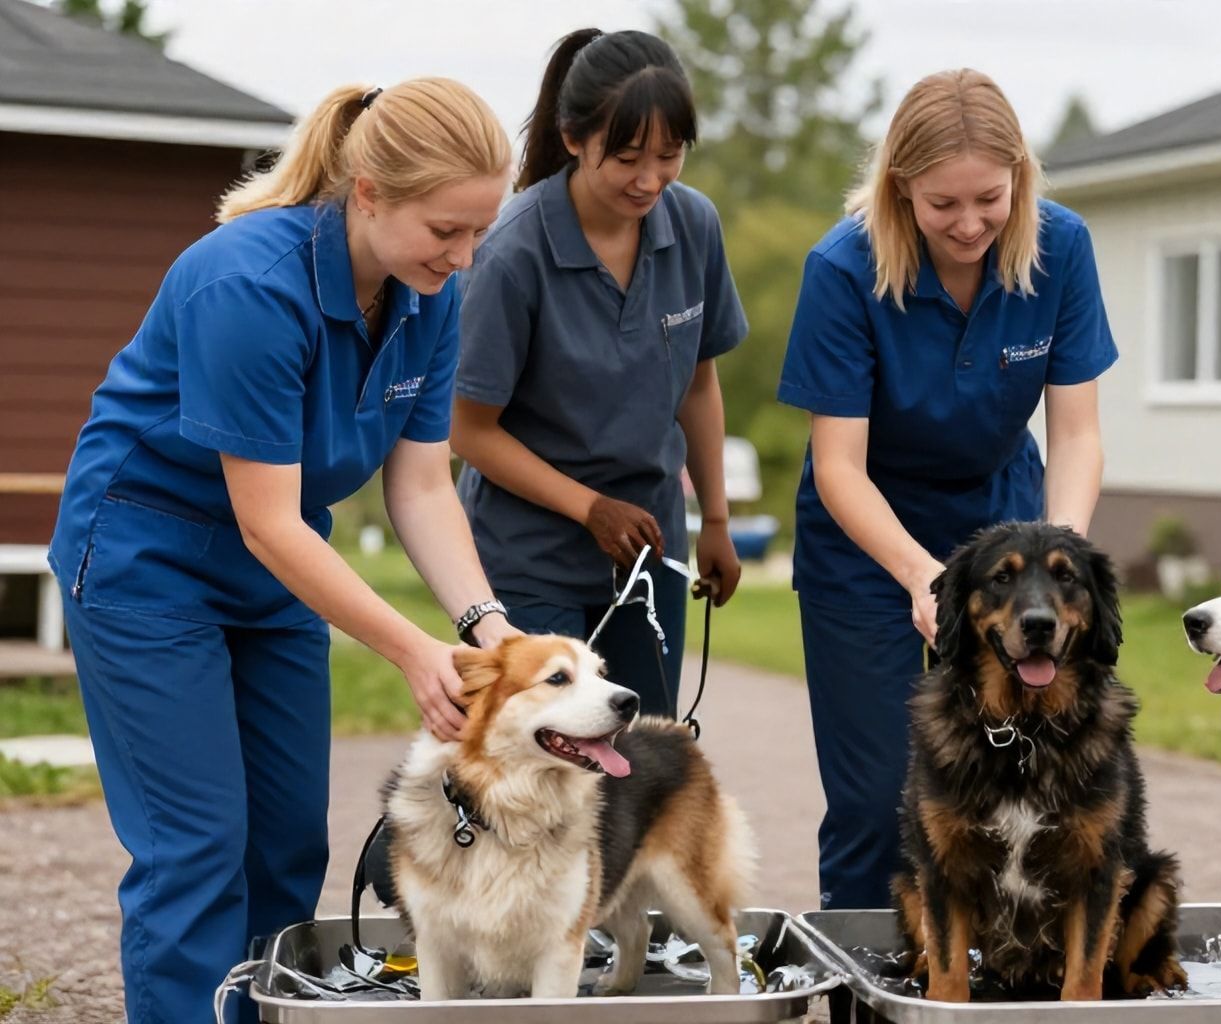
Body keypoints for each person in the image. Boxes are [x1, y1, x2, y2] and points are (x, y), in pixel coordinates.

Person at [46, 78, 521, 1023]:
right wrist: (411, 649)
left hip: (276, 569)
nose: (465, 256)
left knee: (288, 842)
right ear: (371, 191)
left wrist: (488, 630)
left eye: (479, 232)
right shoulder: (248, 283)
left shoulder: (429, 295)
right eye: (446, 230)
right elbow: (266, 519)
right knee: (198, 846)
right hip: (151, 559)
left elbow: (423, 487)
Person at [777, 69, 1116, 910]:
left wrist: (1058, 564)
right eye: (942, 206)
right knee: (879, 798)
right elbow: (838, 466)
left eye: (989, 201)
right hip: (866, 541)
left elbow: (1076, 433)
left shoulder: (1061, 248)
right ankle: (865, 985)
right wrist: (921, 575)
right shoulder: (841, 268)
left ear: (1020, 179)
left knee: (1015, 785)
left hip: (1006, 525)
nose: (969, 225)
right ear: (900, 191)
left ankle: (996, 974)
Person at [452, 28, 746, 713]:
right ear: (575, 138)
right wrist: (589, 508)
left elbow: (698, 385)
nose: (650, 180)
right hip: (528, 560)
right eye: (627, 158)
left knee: (645, 763)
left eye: (669, 155)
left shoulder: (694, 225)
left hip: (647, 549)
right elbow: (468, 432)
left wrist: (717, 521)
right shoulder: (512, 253)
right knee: (543, 769)